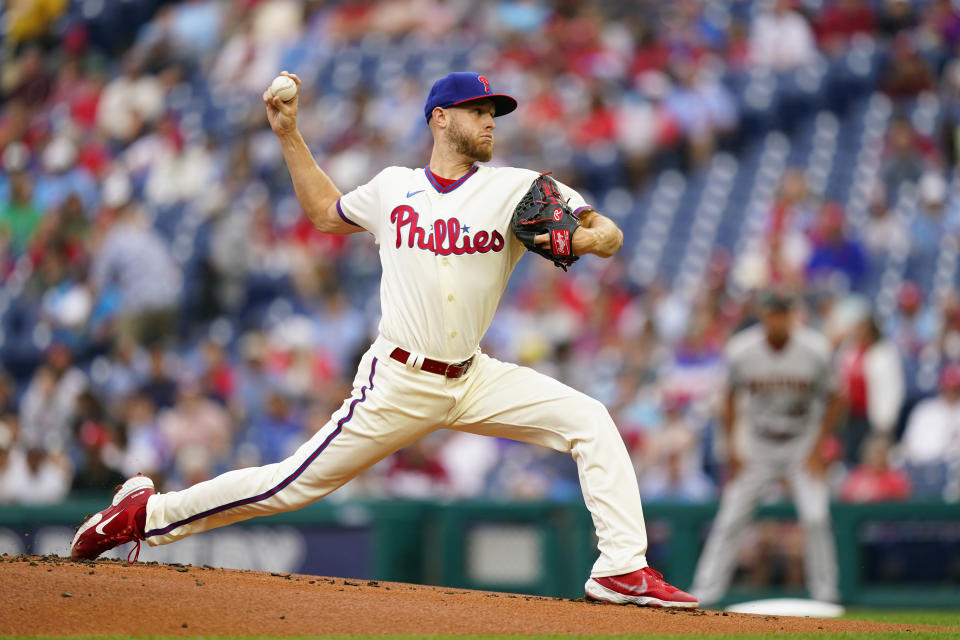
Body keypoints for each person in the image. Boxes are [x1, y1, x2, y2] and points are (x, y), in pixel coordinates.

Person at [70, 71, 697, 608]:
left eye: (495, 114)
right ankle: (144, 516)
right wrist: (289, 134)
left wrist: (588, 237)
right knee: (290, 485)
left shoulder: (515, 188)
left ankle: (620, 568)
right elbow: (324, 213)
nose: (490, 123)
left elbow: (604, 232)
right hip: (398, 379)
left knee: (589, 418)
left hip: (474, 377)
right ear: (440, 118)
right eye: (479, 112)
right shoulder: (394, 186)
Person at [690, 290, 843, 606]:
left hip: (801, 443)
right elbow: (728, 399)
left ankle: (826, 592)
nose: (778, 318)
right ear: (763, 315)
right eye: (773, 312)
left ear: (792, 314)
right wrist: (731, 447)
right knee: (730, 517)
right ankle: (705, 590)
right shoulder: (742, 349)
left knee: (815, 516)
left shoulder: (815, 349)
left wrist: (818, 446)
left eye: (784, 311)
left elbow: (836, 398)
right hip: (758, 444)